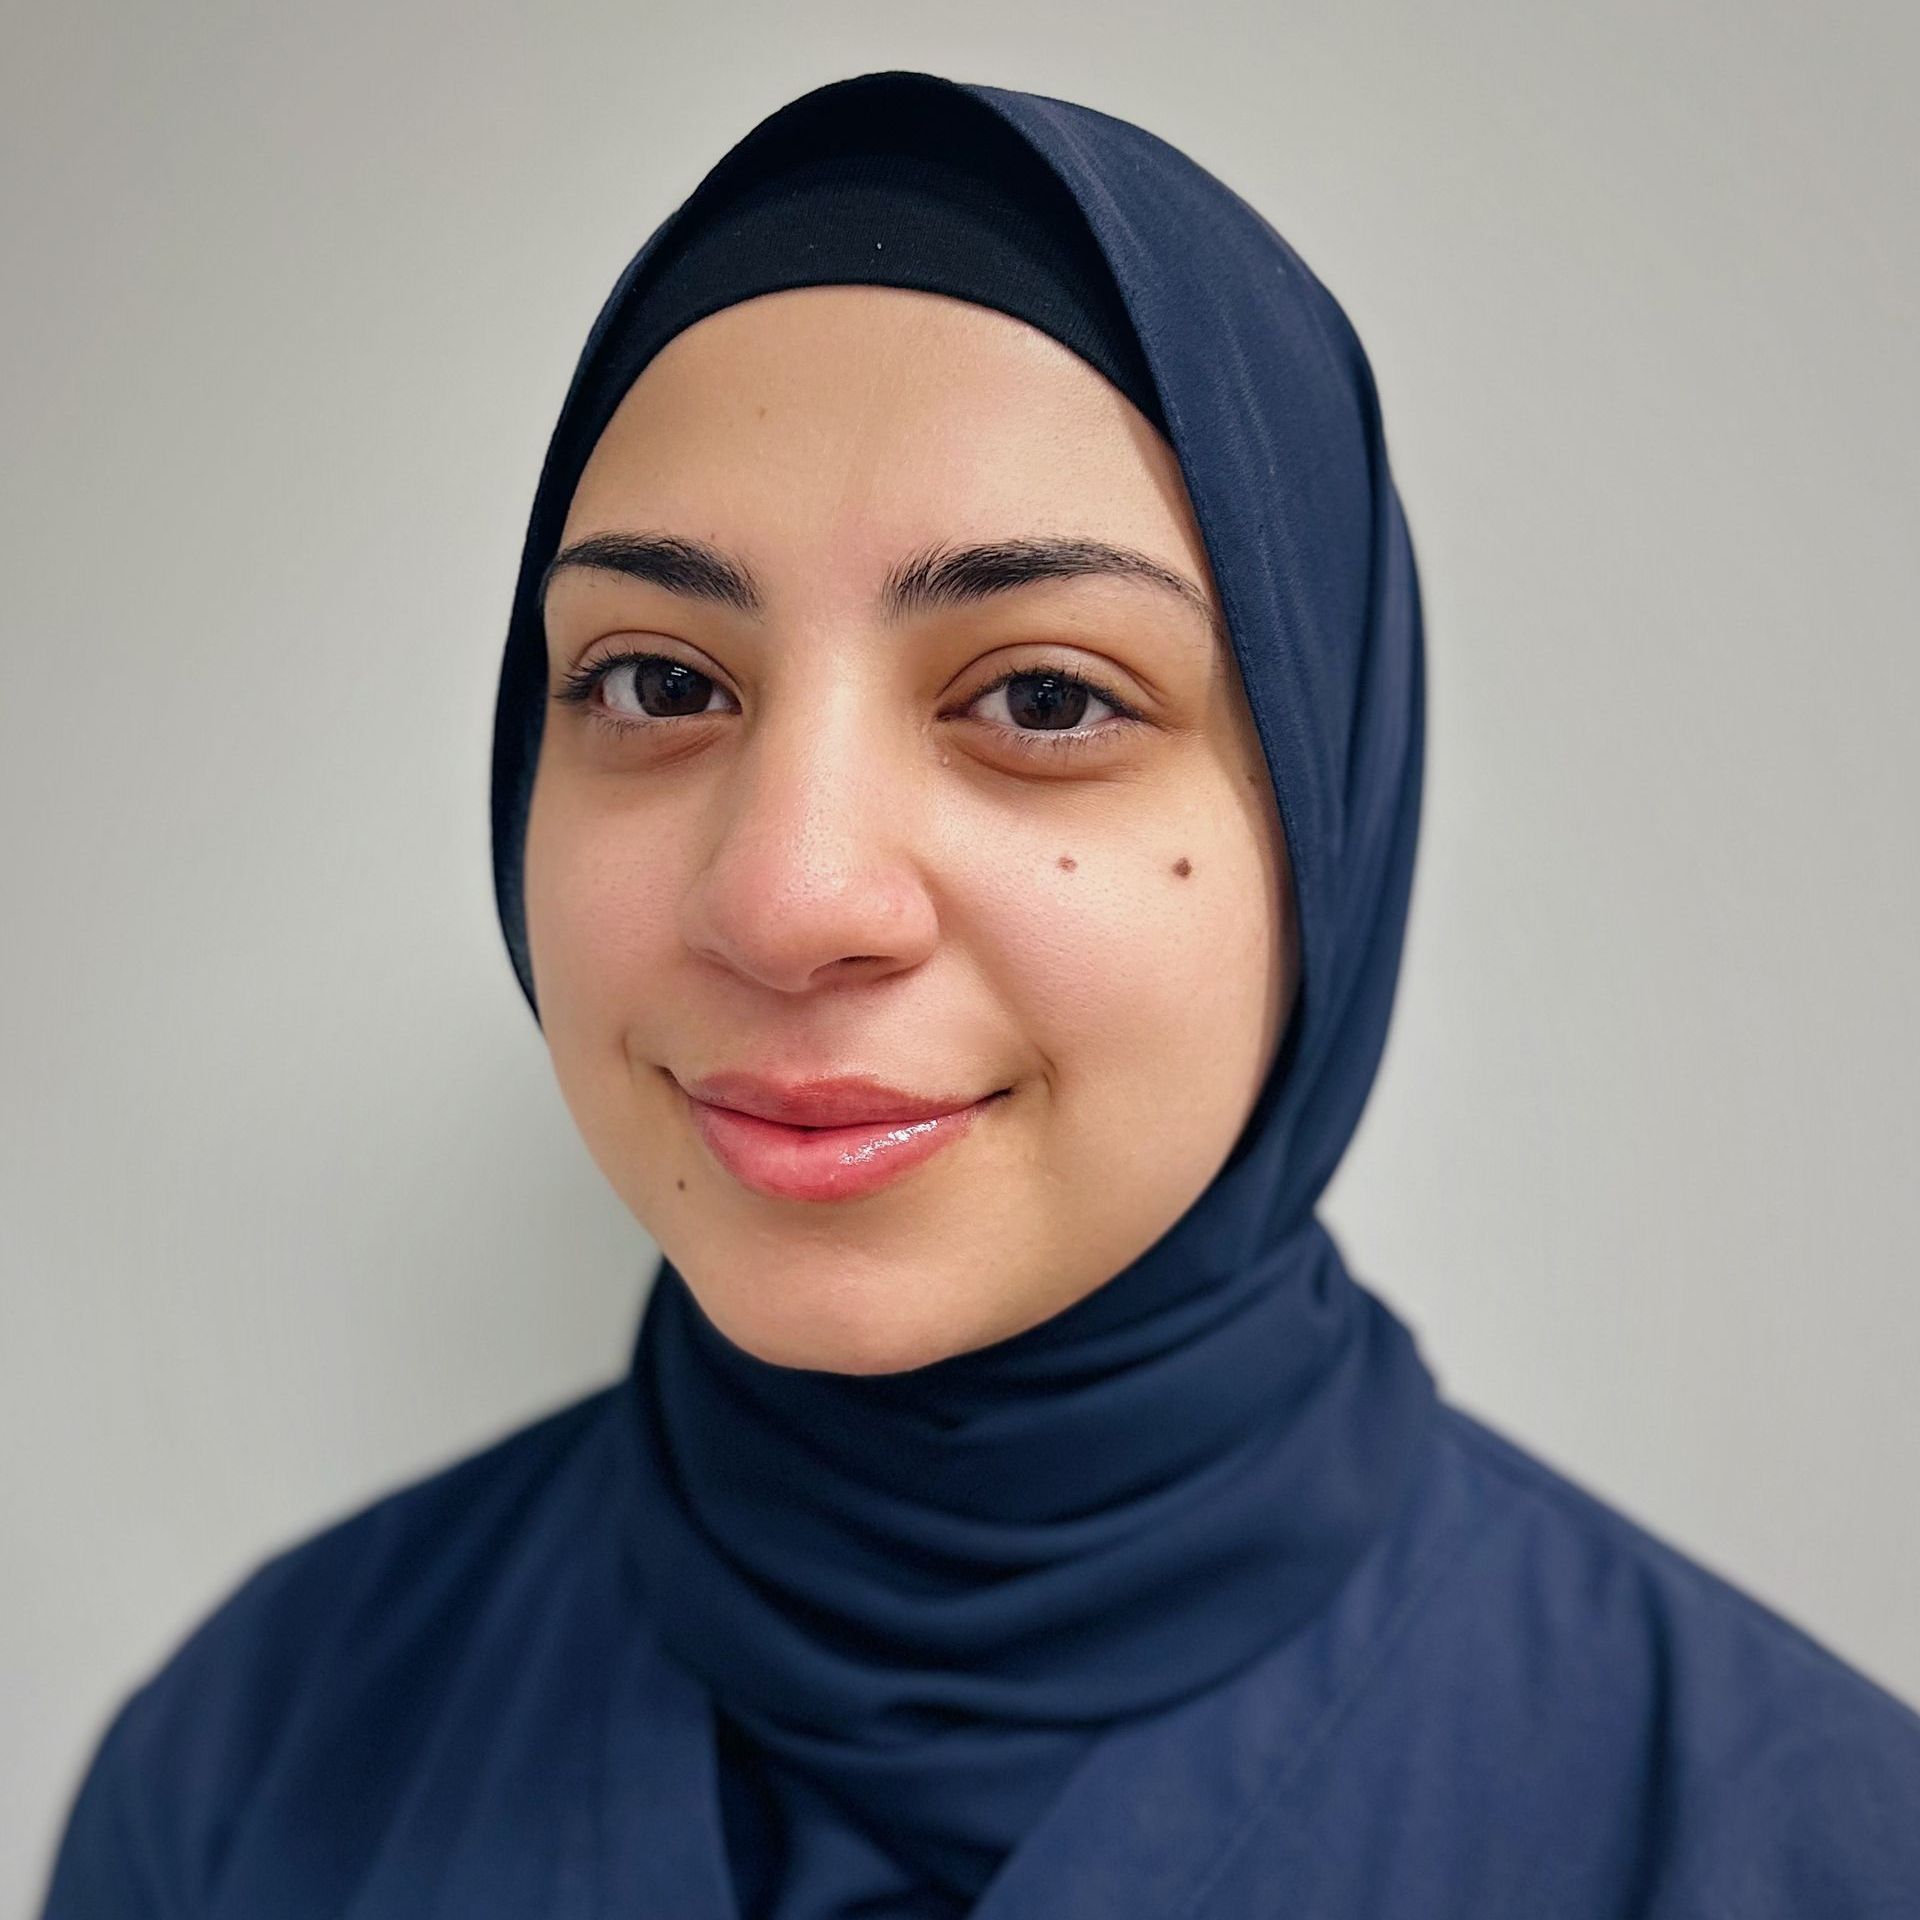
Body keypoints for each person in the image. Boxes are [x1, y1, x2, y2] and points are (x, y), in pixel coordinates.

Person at [39, 67, 1920, 1920]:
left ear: (1327, 812)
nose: (788, 899)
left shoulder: (1800, 1853)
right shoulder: (252, 1774)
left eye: (1042, 697)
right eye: (656, 682)